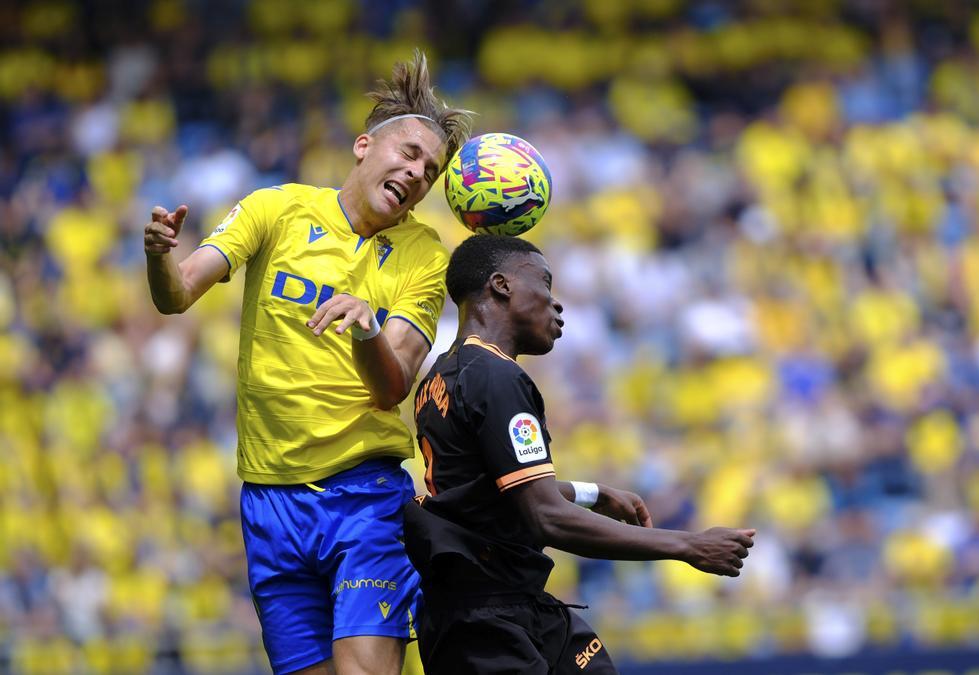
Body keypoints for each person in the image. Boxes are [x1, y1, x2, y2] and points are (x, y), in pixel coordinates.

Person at [143, 51, 471, 675]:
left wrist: (367, 329)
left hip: (364, 499)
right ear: (363, 145)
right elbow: (176, 294)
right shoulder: (276, 209)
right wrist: (160, 255)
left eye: (429, 171)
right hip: (269, 504)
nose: (416, 172)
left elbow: (391, 387)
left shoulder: (425, 257)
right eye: (407, 153)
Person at [404, 234, 756, 674]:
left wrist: (592, 492)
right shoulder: (496, 377)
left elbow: (485, 491)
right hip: (487, 624)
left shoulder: (441, 377)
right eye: (545, 285)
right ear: (501, 285)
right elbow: (545, 517)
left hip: (503, 608)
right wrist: (689, 545)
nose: (557, 304)